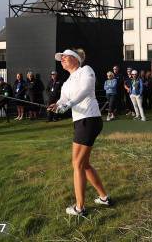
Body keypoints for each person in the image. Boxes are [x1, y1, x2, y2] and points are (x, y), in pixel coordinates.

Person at [46, 48, 112, 216]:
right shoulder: (67, 82)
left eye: (65, 57)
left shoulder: (85, 70)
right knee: (84, 164)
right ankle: (104, 197)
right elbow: (63, 100)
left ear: (75, 59)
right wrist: (58, 105)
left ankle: (80, 208)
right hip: (80, 122)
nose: (62, 60)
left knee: (77, 164)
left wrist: (69, 104)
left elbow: (86, 90)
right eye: (61, 58)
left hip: (89, 119)